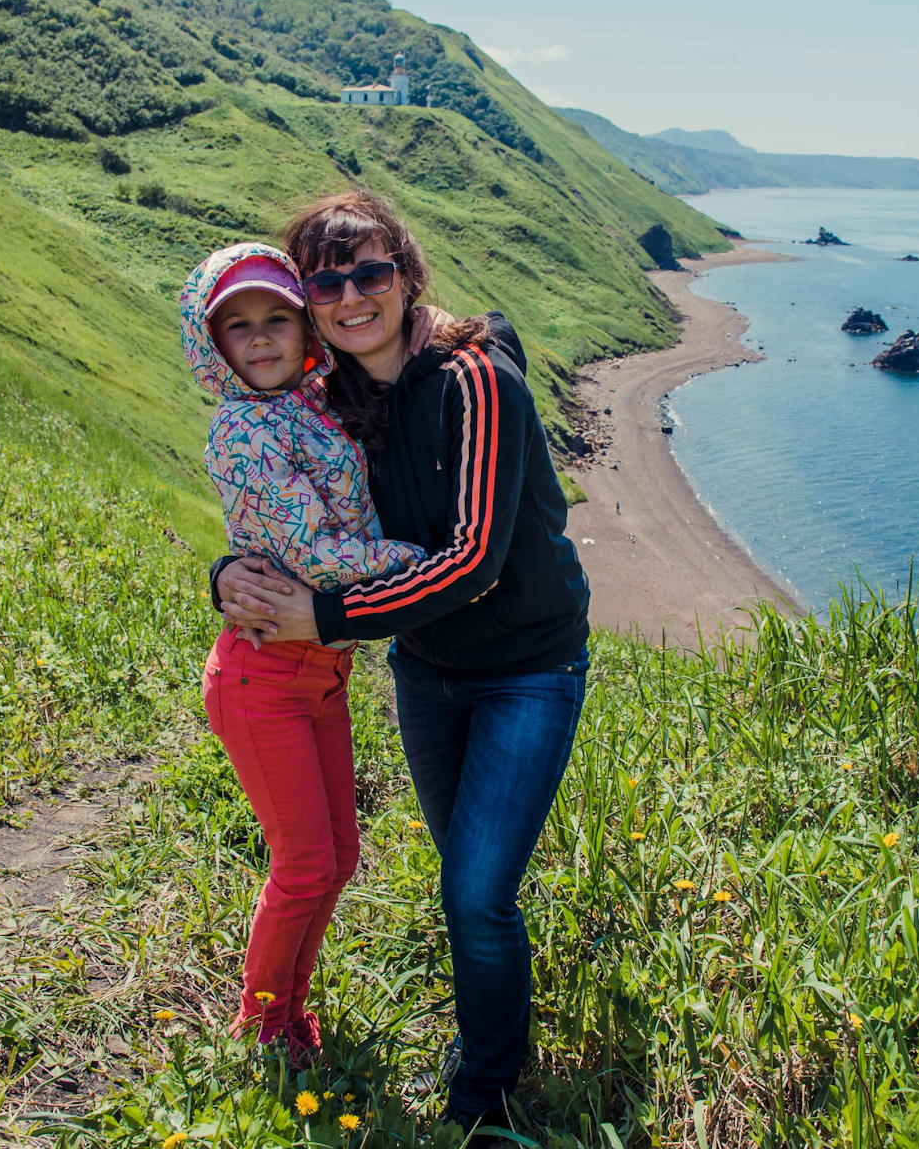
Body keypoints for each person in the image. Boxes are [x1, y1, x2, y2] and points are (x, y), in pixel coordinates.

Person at [212, 190, 589, 1133]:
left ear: (408, 275)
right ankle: (476, 1041)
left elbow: (474, 560)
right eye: (327, 281)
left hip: (527, 667)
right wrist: (230, 573)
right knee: (464, 879)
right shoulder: (331, 396)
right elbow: (288, 509)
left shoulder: (478, 380)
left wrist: (325, 615)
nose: (350, 296)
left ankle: (487, 1090)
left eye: (369, 272)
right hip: (426, 667)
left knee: (477, 890)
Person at [178, 241, 427, 1060]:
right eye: (236, 327)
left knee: (338, 859)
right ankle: (261, 1026)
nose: (258, 340)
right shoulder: (244, 428)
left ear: (304, 326)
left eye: (276, 319)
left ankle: (290, 1012)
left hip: (322, 670)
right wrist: (432, 562)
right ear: (208, 345)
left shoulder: (318, 399)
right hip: (265, 674)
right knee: (303, 863)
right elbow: (316, 553)